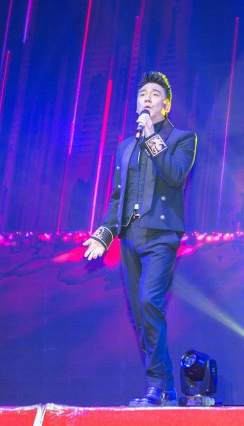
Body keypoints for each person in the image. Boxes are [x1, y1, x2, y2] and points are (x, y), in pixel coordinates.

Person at [83, 71, 197, 407]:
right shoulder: (125, 147)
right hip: (130, 237)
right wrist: (103, 235)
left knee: (150, 302)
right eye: (143, 94)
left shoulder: (183, 139)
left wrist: (151, 136)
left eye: (155, 94)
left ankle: (157, 384)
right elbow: (118, 197)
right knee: (139, 311)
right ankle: (164, 389)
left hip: (161, 236)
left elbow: (175, 175)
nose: (147, 97)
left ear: (166, 104)